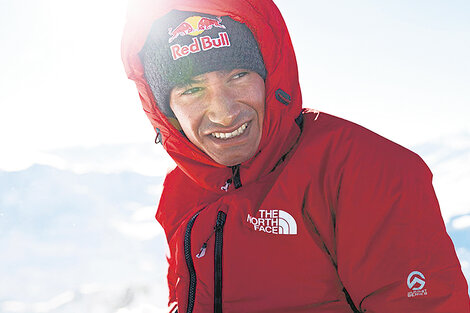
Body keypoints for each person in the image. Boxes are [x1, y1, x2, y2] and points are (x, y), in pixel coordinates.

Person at [121, 0, 470, 312]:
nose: (224, 113)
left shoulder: (364, 172)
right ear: (165, 111)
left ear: (270, 76)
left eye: (239, 75)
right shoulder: (182, 188)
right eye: (192, 89)